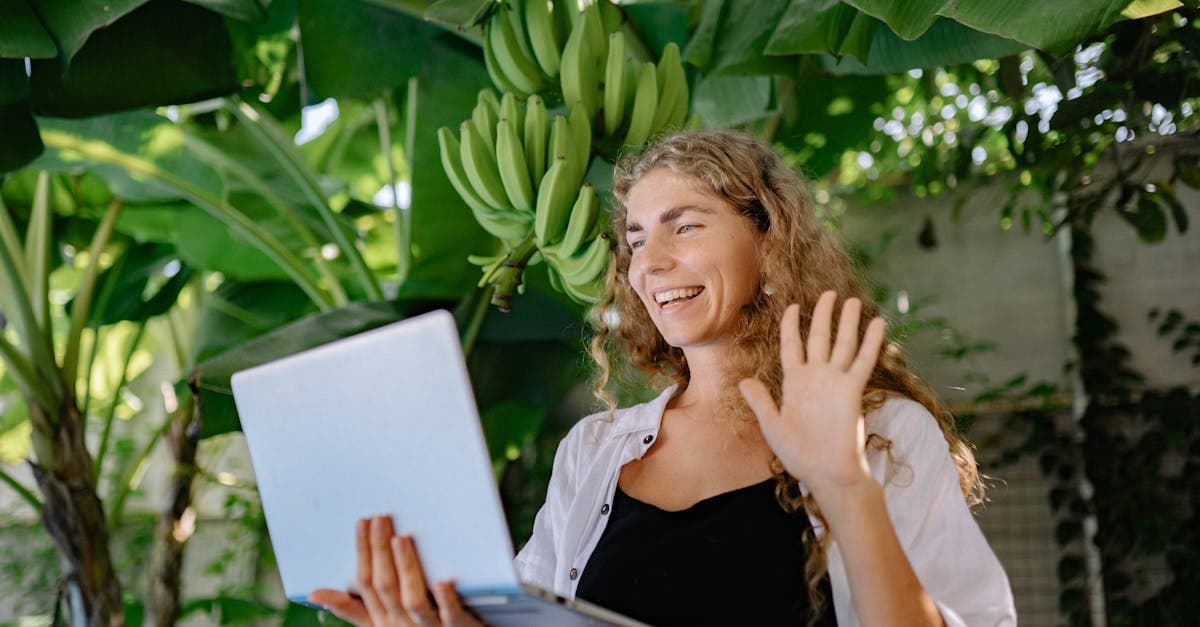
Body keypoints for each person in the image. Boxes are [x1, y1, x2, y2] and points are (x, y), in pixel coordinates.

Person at [309, 130, 1017, 626]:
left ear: (768, 241)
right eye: (638, 239)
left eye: (685, 226)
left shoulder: (881, 434)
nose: (649, 263)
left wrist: (845, 486)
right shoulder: (594, 453)